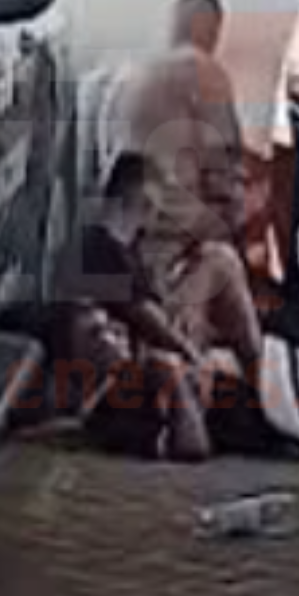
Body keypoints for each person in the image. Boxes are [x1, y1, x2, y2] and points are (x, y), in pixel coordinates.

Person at [97, 0, 265, 372]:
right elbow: (226, 182)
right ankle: (260, 382)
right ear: (213, 33)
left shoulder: (130, 75)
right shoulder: (204, 72)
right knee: (225, 263)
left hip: (118, 269)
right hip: (163, 269)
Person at [60, 152, 217, 461]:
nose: (157, 213)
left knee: (217, 263)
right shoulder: (100, 248)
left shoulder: (127, 249)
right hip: (111, 384)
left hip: (129, 374)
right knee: (170, 366)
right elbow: (147, 318)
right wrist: (191, 355)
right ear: (143, 198)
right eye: (155, 202)